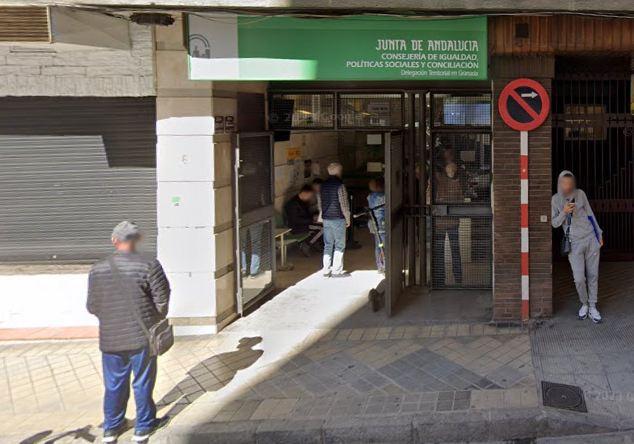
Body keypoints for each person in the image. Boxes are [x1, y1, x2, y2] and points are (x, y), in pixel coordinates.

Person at [87, 221, 171, 443]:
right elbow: (162, 301)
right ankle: (143, 427)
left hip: (110, 338)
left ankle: (112, 428)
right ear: (136, 240)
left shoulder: (98, 268)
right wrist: (152, 318)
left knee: (114, 383)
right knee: (142, 381)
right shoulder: (149, 265)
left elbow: (92, 306)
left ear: (114, 241)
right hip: (141, 335)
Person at [552, 170, 604, 323]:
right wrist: (564, 212)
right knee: (579, 278)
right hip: (574, 243)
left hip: (590, 239)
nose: (567, 186)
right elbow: (554, 223)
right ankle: (585, 303)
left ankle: (593, 306)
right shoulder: (555, 200)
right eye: (564, 183)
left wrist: (599, 234)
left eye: (569, 183)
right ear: (559, 184)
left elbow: (590, 214)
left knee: (593, 275)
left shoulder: (580, 194)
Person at [433, 162, 464, 285]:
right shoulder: (455, 183)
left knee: (442, 250)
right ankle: (457, 278)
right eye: (451, 170)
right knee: (453, 250)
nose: (452, 173)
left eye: (453, 170)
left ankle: (443, 279)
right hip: (450, 222)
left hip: (443, 222)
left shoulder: (437, 184)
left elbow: (430, 199)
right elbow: (461, 201)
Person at [320, 162, 351, 277]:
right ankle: (337, 271)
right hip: (338, 218)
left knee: (328, 244)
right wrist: (348, 218)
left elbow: (320, 202)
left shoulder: (323, 185)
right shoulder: (340, 185)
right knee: (339, 245)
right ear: (338, 171)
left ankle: (326, 270)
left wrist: (321, 216)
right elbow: (344, 204)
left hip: (326, 218)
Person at [284, 184, 323, 256]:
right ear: (305, 193)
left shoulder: (303, 201)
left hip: (305, 223)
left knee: (323, 224)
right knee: (321, 228)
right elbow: (295, 220)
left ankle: (315, 242)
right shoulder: (292, 204)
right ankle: (307, 244)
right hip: (296, 227)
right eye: (310, 196)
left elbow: (306, 214)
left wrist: (314, 217)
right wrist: (312, 220)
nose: (310, 198)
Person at [367, 178, 386, 273]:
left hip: (374, 223)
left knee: (378, 245)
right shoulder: (384, 196)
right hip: (383, 222)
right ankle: (386, 264)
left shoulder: (369, 197)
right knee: (385, 245)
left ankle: (379, 265)